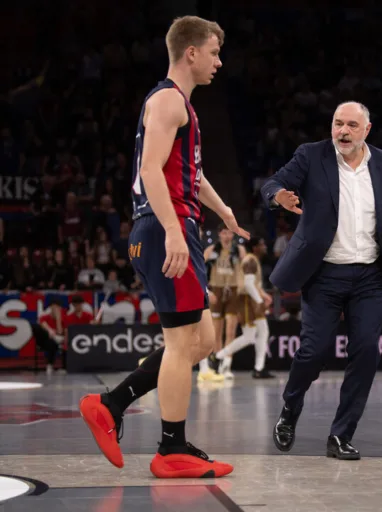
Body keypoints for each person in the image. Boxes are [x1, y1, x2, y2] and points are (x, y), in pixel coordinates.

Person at [78, 16, 247, 478]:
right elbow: (152, 171)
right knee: (181, 342)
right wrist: (174, 230)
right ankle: (171, 449)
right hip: (162, 229)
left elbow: (190, 174)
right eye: (213, 52)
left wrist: (223, 210)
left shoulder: (180, 107)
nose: (218, 61)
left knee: (204, 340)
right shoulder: (170, 100)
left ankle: (111, 404)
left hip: (173, 225)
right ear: (190, 52)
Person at [261, 101, 382, 460]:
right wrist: (277, 197)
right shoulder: (311, 155)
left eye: (350, 125)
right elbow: (274, 183)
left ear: (367, 130)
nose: (342, 131)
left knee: (365, 354)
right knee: (313, 352)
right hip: (324, 273)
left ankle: (341, 435)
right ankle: (290, 407)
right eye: (337, 124)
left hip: (369, 276)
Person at [214, 238, 275, 379]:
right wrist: (260, 301)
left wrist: (264, 296)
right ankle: (218, 356)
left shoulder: (252, 260)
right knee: (249, 336)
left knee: (263, 331)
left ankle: (259, 368)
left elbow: (254, 284)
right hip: (247, 300)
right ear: (254, 247)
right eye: (262, 244)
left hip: (251, 300)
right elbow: (248, 284)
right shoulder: (250, 260)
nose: (265, 246)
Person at [203, 224, 246, 380]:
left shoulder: (239, 250)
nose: (227, 236)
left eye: (229, 233)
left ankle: (226, 365)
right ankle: (216, 364)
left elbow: (246, 270)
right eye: (224, 233)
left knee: (231, 330)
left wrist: (243, 290)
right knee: (216, 331)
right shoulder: (211, 250)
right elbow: (200, 270)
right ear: (219, 234)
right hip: (216, 290)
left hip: (233, 290)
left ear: (233, 235)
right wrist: (207, 291)